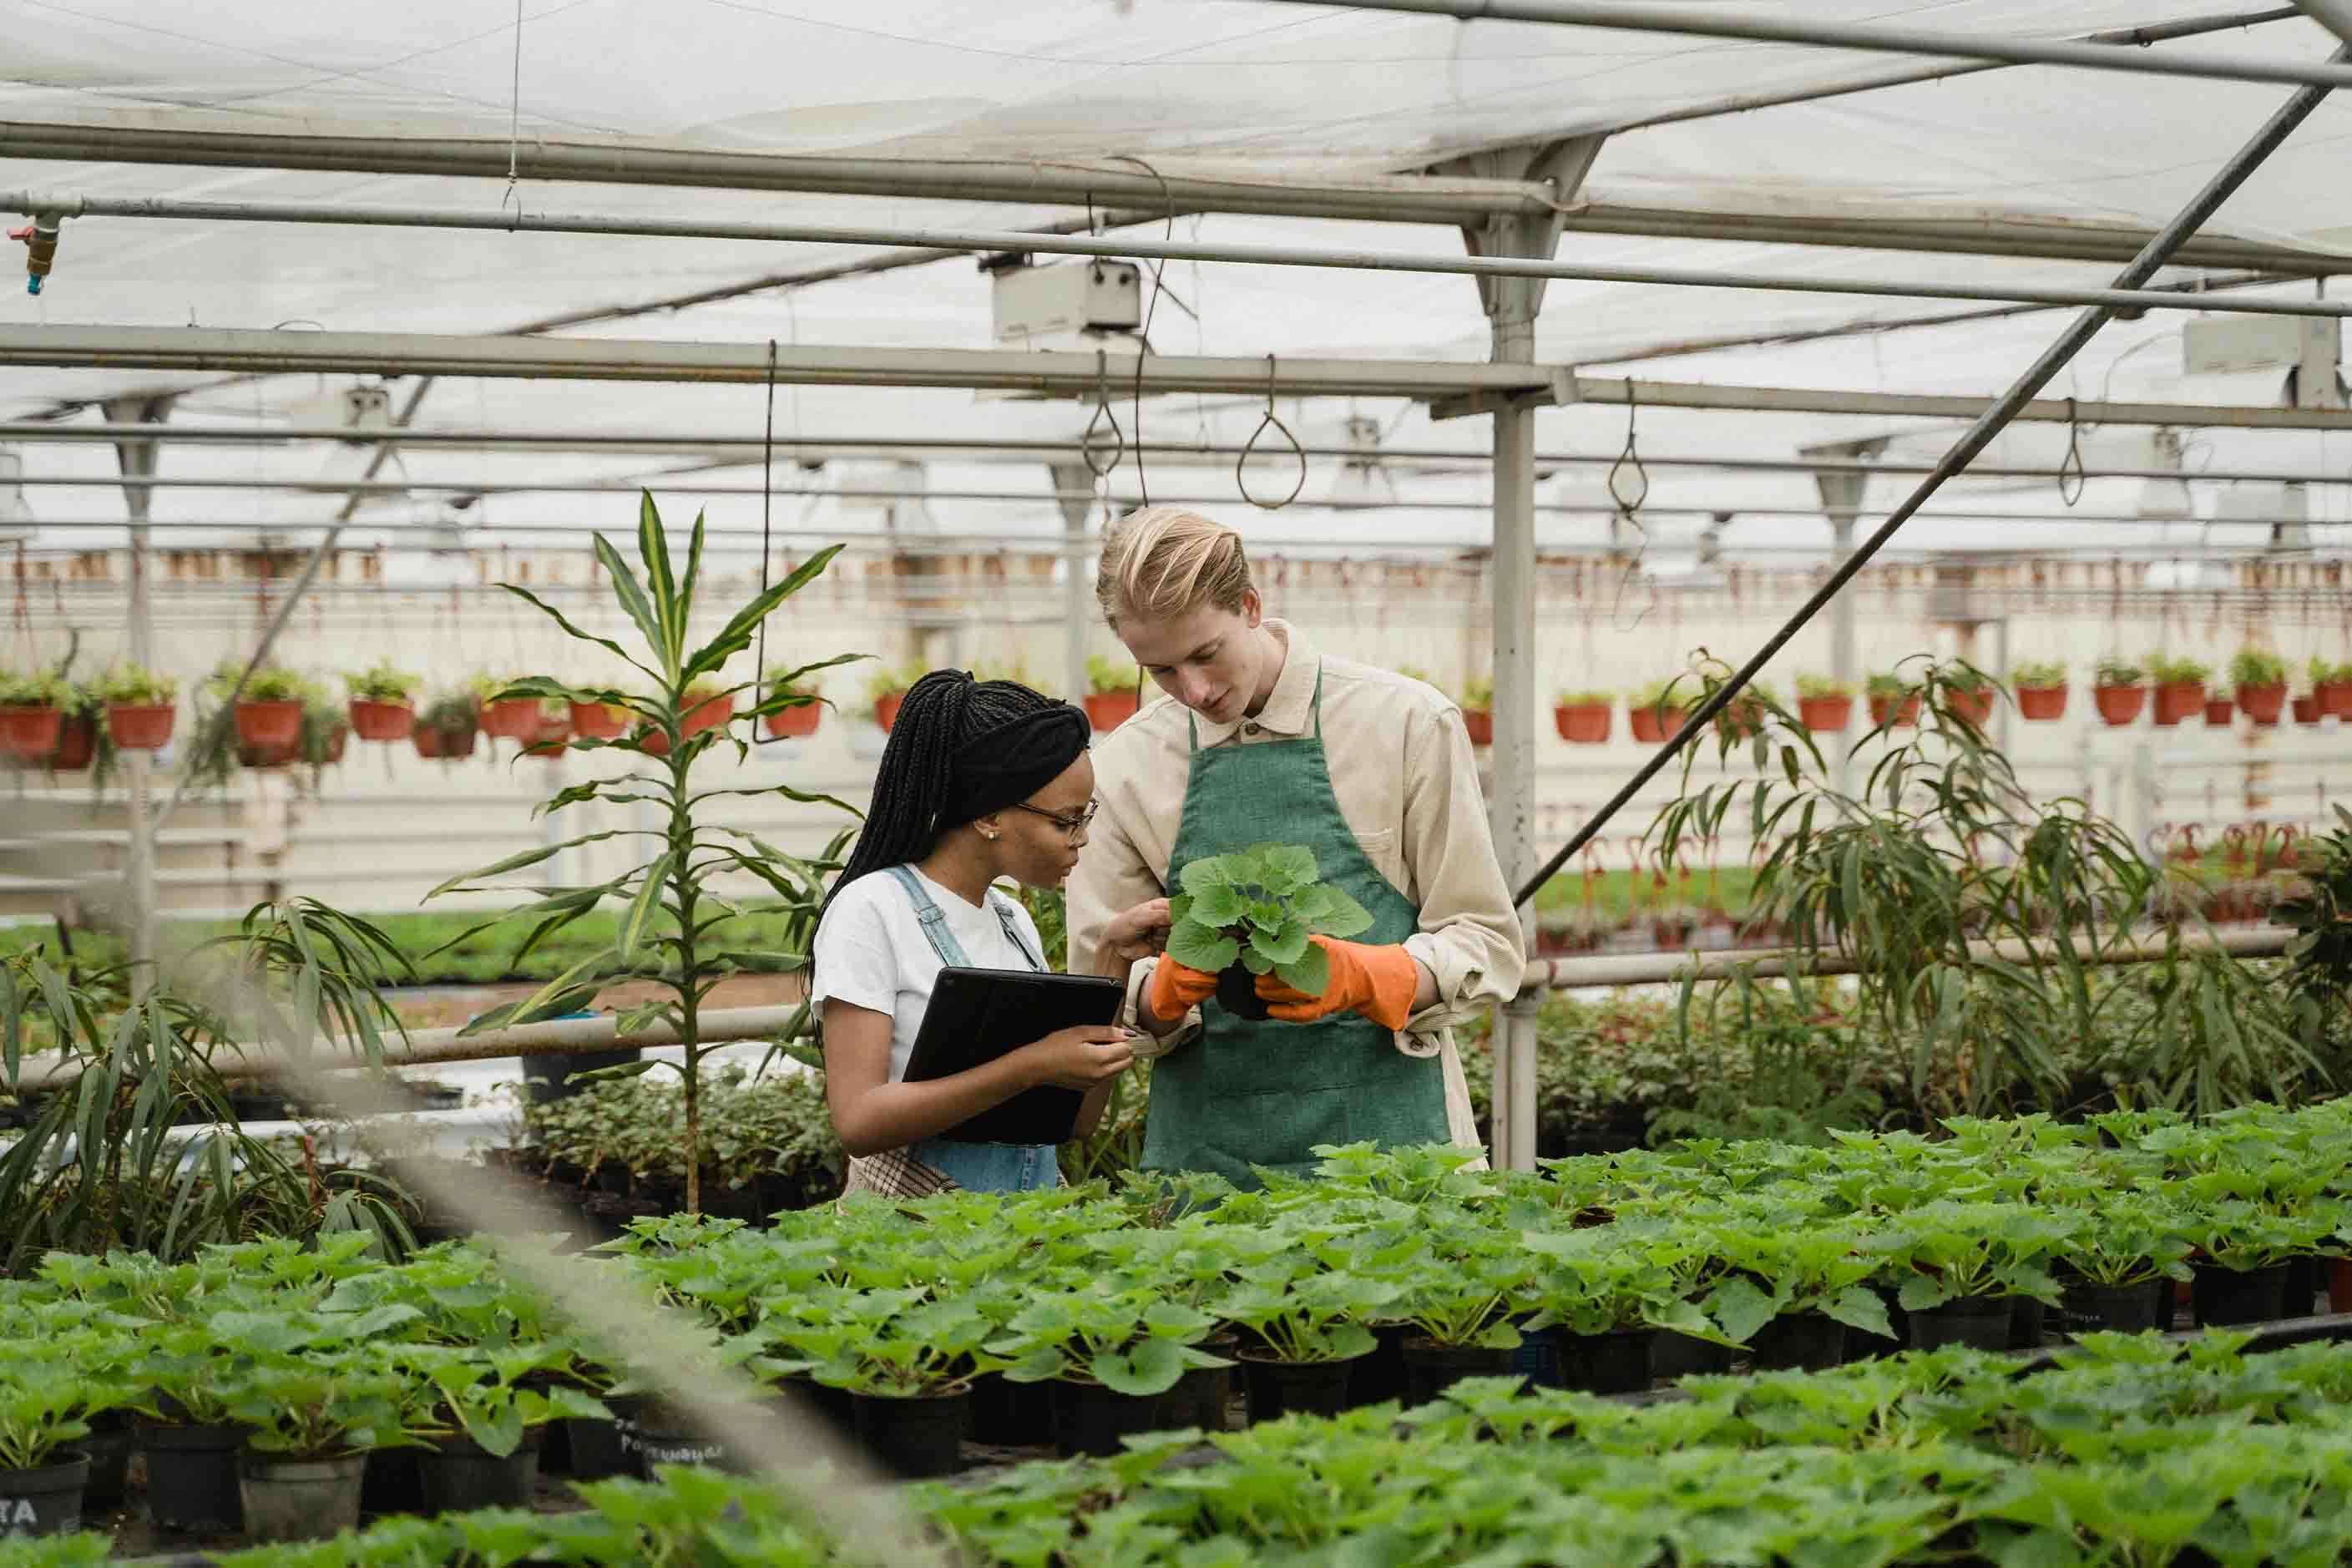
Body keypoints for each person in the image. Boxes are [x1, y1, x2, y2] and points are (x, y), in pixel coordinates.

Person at [1066, 508, 1526, 1189]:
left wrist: (1369, 976)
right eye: (1159, 670)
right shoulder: (1125, 765)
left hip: (1396, 1140)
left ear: (1250, 606)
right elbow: (1098, 986)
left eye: (1205, 653)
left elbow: (1486, 941)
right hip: (1210, 1161)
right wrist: (1158, 997)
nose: (1194, 691)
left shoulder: (1401, 722)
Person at [812, 670, 1172, 1196]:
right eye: (1066, 821)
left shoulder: (1011, 921)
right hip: (911, 1250)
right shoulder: (872, 910)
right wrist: (1030, 1065)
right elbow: (859, 1120)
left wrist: (1113, 958)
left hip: (1017, 1243)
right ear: (990, 816)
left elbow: (1073, 1124)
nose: (1083, 839)